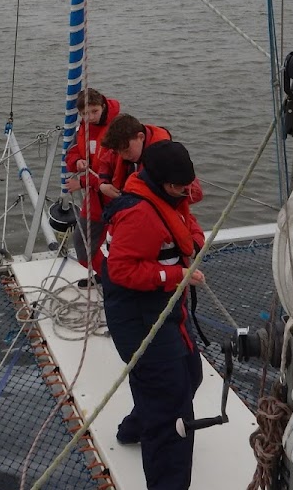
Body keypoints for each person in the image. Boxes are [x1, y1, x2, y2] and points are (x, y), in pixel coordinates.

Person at [99, 140, 206, 490]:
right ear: (161, 182)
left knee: (190, 375)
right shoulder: (140, 215)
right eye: (178, 186)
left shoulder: (169, 199)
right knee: (172, 408)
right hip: (141, 318)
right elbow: (121, 271)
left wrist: (194, 240)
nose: (184, 192)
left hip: (166, 311)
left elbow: (186, 224)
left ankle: (134, 429)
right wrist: (178, 275)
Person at [63, 88, 121, 272]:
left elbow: (117, 174)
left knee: (121, 246)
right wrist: (77, 161)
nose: (90, 117)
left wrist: (81, 183)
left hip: (118, 198)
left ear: (103, 107)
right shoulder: (82, 129)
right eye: (84, 113)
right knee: (83, 245)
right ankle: (107, 277)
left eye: (94, 111)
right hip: (95, 198)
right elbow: (72, 152)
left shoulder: (117, 130)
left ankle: (119, 281)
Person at [99, 114, 202, 205]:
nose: (123, 156)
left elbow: (195, 193)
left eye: (126, 150)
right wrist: (103, 183)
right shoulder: (121, 146)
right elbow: (105, 162)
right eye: (118, 152)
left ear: (141, 137)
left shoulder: (166, 156)